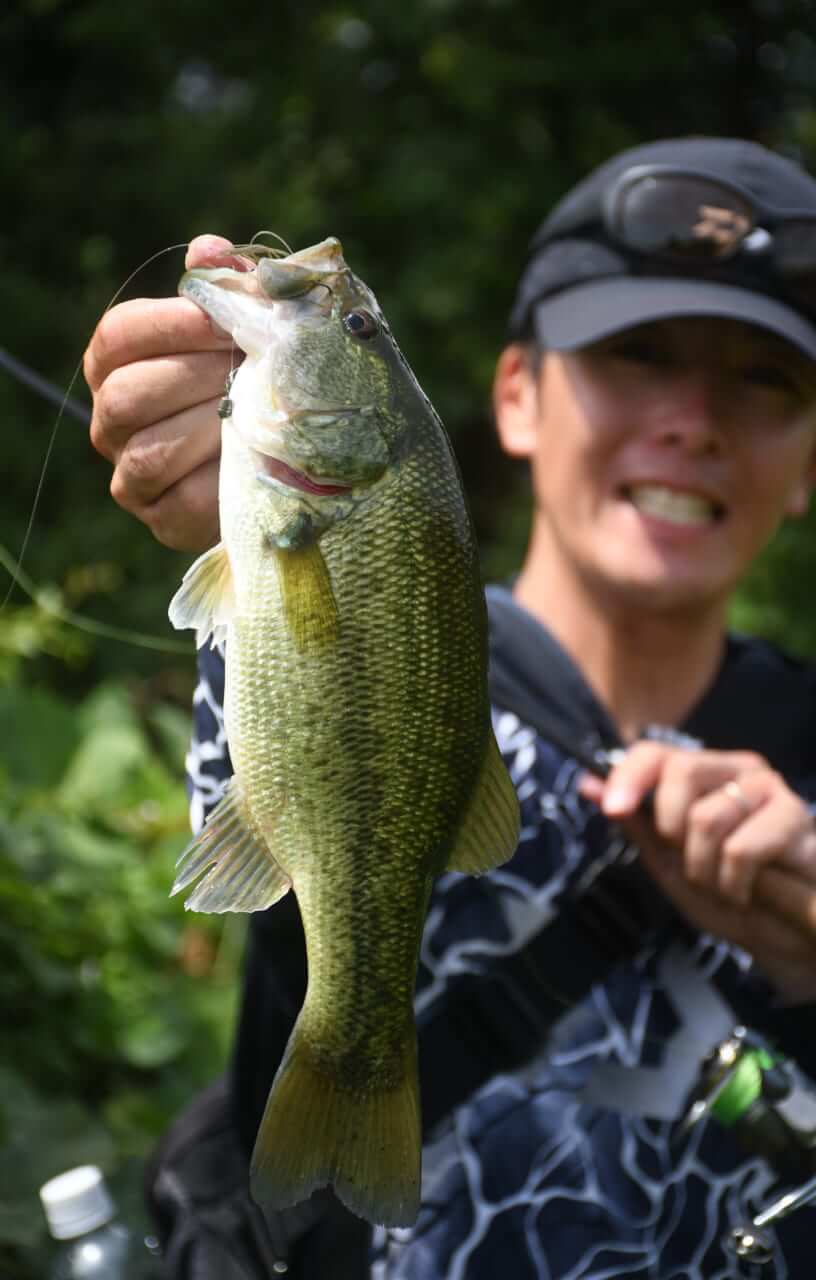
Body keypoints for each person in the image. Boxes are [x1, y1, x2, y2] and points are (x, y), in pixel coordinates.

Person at [86, 136, 816, 1278]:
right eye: (634, 353)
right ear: (515, 393)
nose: (692, 418)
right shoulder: (378, 620)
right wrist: (217, 487)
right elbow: (276, 874)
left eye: (763, 378)